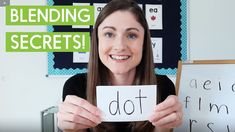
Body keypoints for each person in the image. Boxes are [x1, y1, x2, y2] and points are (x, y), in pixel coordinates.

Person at [57, 0, 183, 131]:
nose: (120, 46)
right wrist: (70, 129)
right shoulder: (75, 87)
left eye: (132, 35)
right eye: (109, 34)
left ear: (144, 42)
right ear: (97, 40)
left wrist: (163, 127)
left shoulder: (163, 87)